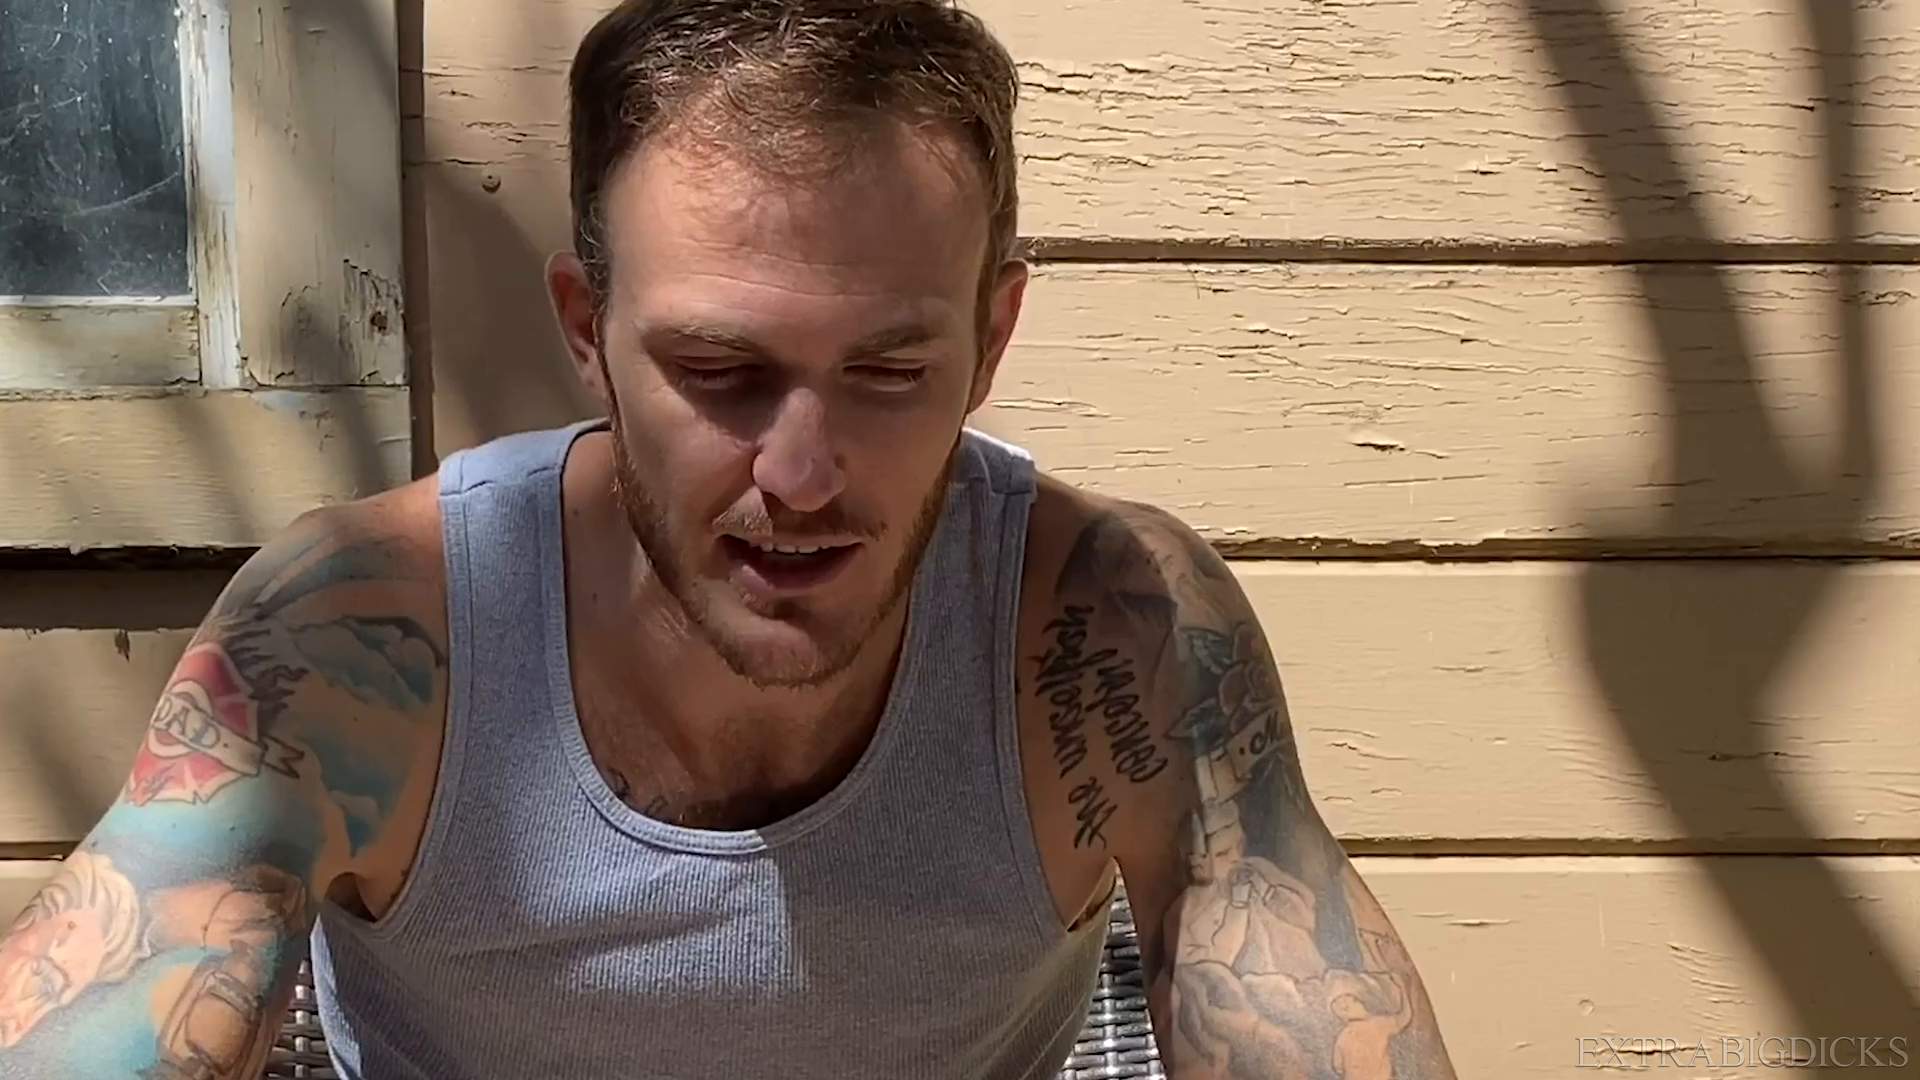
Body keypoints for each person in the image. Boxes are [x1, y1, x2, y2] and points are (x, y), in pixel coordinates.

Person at [0, 1, 1459, 1076]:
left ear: (995, 335)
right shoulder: (366, 637)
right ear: (588, 331)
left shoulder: (1106, 628)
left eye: (891, 370)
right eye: (719, 371)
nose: (803, 474)